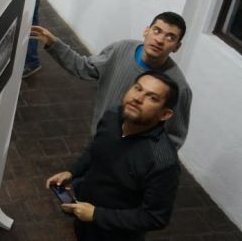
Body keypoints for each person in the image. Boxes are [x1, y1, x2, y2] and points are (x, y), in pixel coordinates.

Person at [46, 71, 181, 240]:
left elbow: (155, 217)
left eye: (152, 98)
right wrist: (73, 172)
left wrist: (96, 215)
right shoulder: (112, 116)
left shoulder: (162, 162)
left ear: (165, 115)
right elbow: (95, 149)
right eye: (137, 89)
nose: (137, 98)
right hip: (84, 216)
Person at [32, 12, 192, 149]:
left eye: (170, 37)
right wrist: (54, 43)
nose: (159, 40)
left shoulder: (179, 87)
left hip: (133, 161)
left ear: (177, 47)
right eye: (157, 31)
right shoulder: (121, 49)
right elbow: (85, 67)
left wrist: (144, 163)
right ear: (146, 31)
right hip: (100, 141)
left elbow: (174, 137)